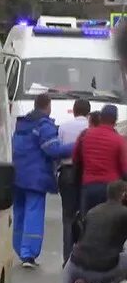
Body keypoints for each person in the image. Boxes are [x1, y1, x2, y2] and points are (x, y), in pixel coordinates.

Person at [11, 93, 73, 268]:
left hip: (17, 175)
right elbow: (53, 149)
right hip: (36, 177)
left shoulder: (21, 124)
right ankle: (28, 254)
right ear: (48, 106)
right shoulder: (43, 125)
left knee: (20, 213)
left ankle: (19, 248)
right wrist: (77, 145)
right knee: (34, 213)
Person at [59, 180, 127, 283]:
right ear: (124, 195)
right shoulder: (124, 213)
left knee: (71, 262)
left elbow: (79, 236)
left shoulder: (92, 212)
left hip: (79, 267)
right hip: (106, 269)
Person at [72, 104, 127, 216]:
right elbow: (125, 168)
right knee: (111, 224)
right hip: (111, 189)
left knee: (87, 221)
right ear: (115, 120)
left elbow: (75, 158)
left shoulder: (85, 135)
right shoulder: (119, 140)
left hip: (89, 186)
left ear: (101, 118)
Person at [57, 98, 91, 262]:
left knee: (67, 217)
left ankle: (67, 257)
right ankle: (81, 255)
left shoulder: (64, 126)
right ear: (88, 112)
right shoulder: (90, 128)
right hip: (84, 172)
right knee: (84, 216)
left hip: (67, 172)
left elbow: (59, 148)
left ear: (74, 110)